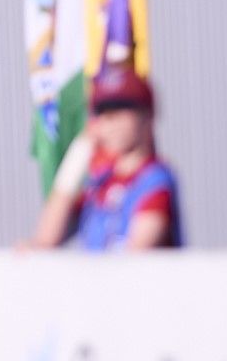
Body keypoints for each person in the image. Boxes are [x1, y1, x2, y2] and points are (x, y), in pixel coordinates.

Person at [55, 69, 181, 251]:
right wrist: (79, 152)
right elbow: (47, 239)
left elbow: (139, 253)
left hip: (129, 279)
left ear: (147, 116)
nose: (110, 120)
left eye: (121, 108)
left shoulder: (154, 181)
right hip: (102, 278)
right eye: (102, 112)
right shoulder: (100, 184)